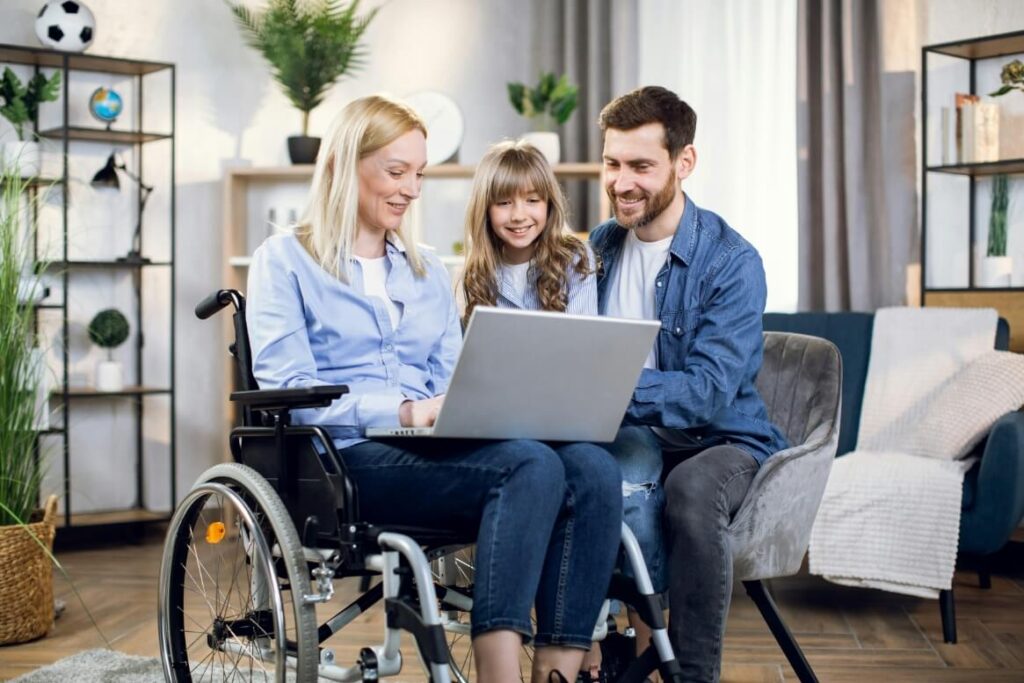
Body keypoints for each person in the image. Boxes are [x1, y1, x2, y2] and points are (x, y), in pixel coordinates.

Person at [245, 94, 622, 683]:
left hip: (431, 450)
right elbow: (288, 387)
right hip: (341, 461)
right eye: (397, 172)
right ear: (347, 164)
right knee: (528, 468)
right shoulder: (284, 260)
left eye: (417, 174)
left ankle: (558, 669)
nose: (411, 189)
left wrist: (478, 405)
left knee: (593, 469)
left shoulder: (424, 268)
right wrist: (404, 409)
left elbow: (453, 379)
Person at [590, 86, 788, 683]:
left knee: (692, 491)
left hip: (719, 440)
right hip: (628, 436)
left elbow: (705, 393)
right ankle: (593, 652)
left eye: (641, 166)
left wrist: (602, 385)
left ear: (685, 162)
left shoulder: (732, 261)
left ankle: (691, 675)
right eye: (612, 163)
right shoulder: (598, 249)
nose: (622, 182)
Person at [461, 139, 597, 320]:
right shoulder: (476, 274)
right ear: (485, 209)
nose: (518, 216)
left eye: (532, 200)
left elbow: (582, 339)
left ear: (549, 204)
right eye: (503, 203)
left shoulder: (575, 259)